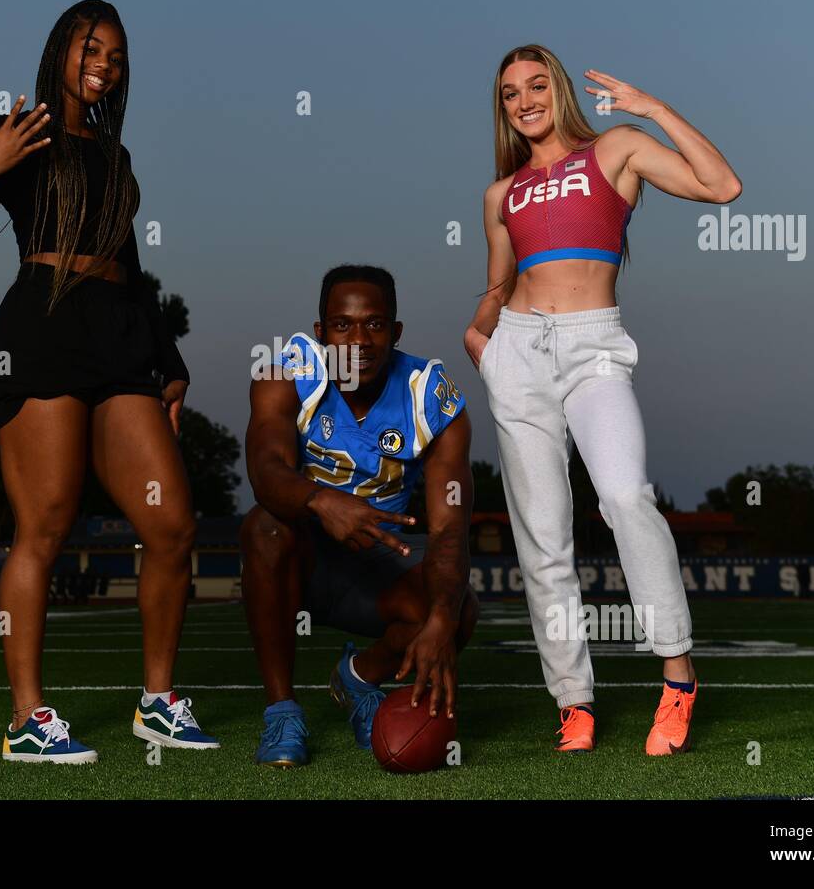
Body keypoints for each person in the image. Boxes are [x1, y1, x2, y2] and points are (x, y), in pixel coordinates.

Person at [0, 0, 217, 764]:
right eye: (91, 46)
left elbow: (131, 270)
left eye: (117, 55)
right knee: (47, 526)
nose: (105, 62)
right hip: (41, 332)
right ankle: (28, 719)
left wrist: (168, 360)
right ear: (61, 48)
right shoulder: (12, 131)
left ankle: (157, 702)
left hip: (118, 338)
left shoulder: (115, 156)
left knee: (171, 526)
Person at [465, 45, 742, 756]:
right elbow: (498, 286)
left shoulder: (615, 149)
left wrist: (649, 107)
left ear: (557, 88)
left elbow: (722, 187)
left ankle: (677, 677)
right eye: (508, 94)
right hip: (518, 355)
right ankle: (574, 703)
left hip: (594, 350)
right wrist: (482, 339)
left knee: (623, 499)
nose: (524, 101)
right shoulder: (502, 194)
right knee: (543, 543)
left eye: (535, 85)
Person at [241, 265, 478, 767]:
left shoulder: (429, 394)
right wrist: (321, 501)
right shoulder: (287, 372)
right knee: (263, 526)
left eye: (374, 325)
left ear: (395, 333)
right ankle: (282, 711)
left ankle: (359, 678)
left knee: (458, 609)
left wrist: (441, 616)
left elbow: (450, 528)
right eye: (343, 325)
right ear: (320, 332)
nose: (359, 340)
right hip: (302, 558)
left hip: (375, 568)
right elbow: (264, 470)